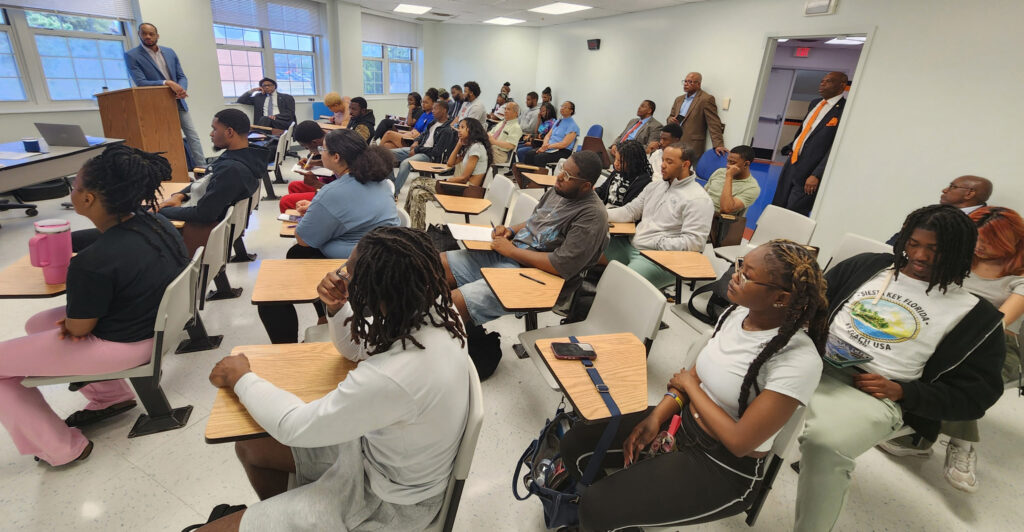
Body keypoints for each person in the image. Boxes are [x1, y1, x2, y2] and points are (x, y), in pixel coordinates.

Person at [199, 226, 471, 532]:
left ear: (373, 293)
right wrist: (339, 307)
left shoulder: (393, 376)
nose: (341, 277)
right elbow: (355, 349)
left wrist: (242, 377)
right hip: (380, 460)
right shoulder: (434, 311)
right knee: (251, 446)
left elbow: (294, 426)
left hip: (388, 504)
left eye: (348, 275)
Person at [559, 240, 827, 530]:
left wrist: (689, 386)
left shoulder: (797, 360)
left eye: (747, 275)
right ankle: (624, 516)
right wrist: (657, 416)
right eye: (739, 264)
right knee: (575, 444)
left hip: (723, 466)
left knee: (597, 508)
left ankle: (613, 515)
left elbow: (739, 442)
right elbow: (697, 376)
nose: (734, 275)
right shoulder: (738, 314)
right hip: (682, 424)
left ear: (782, 298)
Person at [794, 205, 1006, 531]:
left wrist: (904, 391)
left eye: (934, 250)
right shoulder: (868, 267)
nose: (919, 255)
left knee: (826, 443)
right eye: (913, 243)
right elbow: (812, 302)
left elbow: (977, 395)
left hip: (876, 392)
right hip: (813, 360)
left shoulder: (977, 317)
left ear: (960, 252)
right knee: (724, 366)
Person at [0, 144, 188, 466]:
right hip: (157, 327)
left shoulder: (90, 265)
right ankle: (111, 396)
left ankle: (62, 449)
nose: (72, 191)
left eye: (74, 186)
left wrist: (73, 323)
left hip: (126, 345)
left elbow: (79, 329)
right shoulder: (156, 224)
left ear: (87, 199)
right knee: (37, 325)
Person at [877, 206, 1024, 492]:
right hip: (942, 331)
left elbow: (994, 325)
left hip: (994, 345)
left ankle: (962, 444)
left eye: (988, 241)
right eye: (975, 239)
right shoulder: (960, 260)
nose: (979, 246)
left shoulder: (1018, 280)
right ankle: (919, 435)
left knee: (960, 371)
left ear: (1012, 241)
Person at [441, 151, 609, 332]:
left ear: (585, 186)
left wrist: (511, 252)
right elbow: (534, 222)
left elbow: (561, 265)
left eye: (567, 175)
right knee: (437, 264)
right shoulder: (559, 190)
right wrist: (510, 230)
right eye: (562, 169)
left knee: (455, 302)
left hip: (539, 276)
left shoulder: (592, 216)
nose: (559, 177)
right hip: (513, 254)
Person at [259, 129, 399, 345]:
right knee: (297, 254)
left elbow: (303, 238)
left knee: (273, 292)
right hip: (387, 258)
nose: (319, 153)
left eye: (323, 149)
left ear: (336, 157)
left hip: (358, 267)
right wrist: (318, 209)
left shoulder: (334, 191)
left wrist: (318, 211)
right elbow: (353, 214)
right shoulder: (379, 181)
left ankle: (287, 351)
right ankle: (324, 314)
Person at [606, 143, 714, 289]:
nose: (662, 165)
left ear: (685, 164)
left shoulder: (698, 199)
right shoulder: (655, 186)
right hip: (633, 245)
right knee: (590, 245)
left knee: (621, 285)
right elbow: (630, 211)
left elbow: (695, 243)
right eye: (663, 160)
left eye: (669, 162)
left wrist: (656, 242)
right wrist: (599, 215)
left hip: (658, 257)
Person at [158, 109, 262, 225]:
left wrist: (159, 211)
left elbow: (204, 214)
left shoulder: (231, 170)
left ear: (229, 132)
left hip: (197, 231)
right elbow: (206, 179)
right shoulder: (246, 157)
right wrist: (179, 196)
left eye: (215, 129)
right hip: (201, 216)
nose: (211, 134)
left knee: (145, 212)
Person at [123, 22, 205, 167]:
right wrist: (167, 82)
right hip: (156, 105)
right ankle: (173, 170)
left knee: (192, 136)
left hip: (177, 101)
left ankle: (202, 168)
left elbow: (181, 76)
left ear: (157, 36)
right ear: (139, 34)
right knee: (166, 138)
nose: (148, 36)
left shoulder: (169, 52)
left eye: (151, 34)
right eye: (144, 33)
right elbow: (141, 82)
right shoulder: (132, 55)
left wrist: (181, 89)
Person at [770, 71, 848, 216]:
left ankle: (787, 237)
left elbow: (834, 147)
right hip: (793, 162)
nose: (822, 83)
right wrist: (791, 146)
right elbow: (805, 130)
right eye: (822, 80)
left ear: (842, 85)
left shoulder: (844, 109)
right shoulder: (814, 103)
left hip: (810, 170)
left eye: (828, 81)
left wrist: (816, 174)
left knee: (794, 211)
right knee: (778, 205)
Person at [404, 119, 492, 231]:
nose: (458, 130)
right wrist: (458, 145)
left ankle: (415, 231)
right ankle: (414, 229)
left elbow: (464, 178)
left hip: (466, 191)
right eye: (459, 127)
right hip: (461, 187)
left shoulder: (476, 148)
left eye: (462, 127)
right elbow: (450, 164)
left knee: (417, 181)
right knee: (417, 193)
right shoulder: (471, 146)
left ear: (472, 130)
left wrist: (447, 181)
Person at [391, 100, 458, 195]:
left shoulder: (447, 130)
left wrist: (417, 149)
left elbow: (437, 151)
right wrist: (416, 141)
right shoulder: (433, 122)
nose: (433, 111)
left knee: (406, 163)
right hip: (420, 149)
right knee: (387, 155)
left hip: (429, 156)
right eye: (433, 108)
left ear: (444, 110)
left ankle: (394, 193)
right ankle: (393, 183)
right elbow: (423, 134)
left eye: (435, 108)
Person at [666, 72, 726, 156]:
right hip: (675, 141)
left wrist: (718, 145)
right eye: (685, 81)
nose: (686, 84)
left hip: (692, 144)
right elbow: (670, 116)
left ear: (698, 84)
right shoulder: (679, 99)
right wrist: (670, 119)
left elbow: (713, 123)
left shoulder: (706, 99)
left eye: (690, 82)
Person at [277, 121, 328, 213]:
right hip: (330, 184)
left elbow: (342, 192)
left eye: (306, 147)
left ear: (315, 142)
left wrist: (316, 184)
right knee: (294, 186)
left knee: (286, 201)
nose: (307, 150)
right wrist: (314, 163)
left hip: (336, 193)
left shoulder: (333, 149)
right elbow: (329, 163)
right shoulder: (327, 143)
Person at [704, 145, 761, 216]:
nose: (727, 165)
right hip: (702, 210)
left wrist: (729, 177)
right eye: (728, 161)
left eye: (732, 162)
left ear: (746, 164)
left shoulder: (752, 188)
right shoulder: (719, 172)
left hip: (718, 220)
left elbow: (725, 209)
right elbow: (703, 194)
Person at [594, 139, 652, 208]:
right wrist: (590, 192)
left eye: (620, 161)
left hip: (621, 214)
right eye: (616, 159)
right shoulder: (617, 171)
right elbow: (602, 191)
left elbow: (630, 208)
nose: (615, 163)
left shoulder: (643, 181)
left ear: (633, 162)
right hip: (606, 209)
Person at [520, 101, 580, 167]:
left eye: (565, 107)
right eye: (562, 106)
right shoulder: (558, 121)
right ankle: (526, 176)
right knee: (530, 154)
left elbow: (564, 144)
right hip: (549, 147)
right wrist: (545, 144)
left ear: (571, 111)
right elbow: (548, 135)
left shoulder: (573, 126)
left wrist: (547, 146)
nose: (562, 108)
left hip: (562, 151)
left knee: (539, 157)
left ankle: (539, 176)